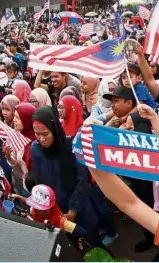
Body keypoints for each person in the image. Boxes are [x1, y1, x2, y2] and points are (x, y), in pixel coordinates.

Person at [31, 106, 116, 247]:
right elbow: (40, 180)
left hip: (79, 208)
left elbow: (82, 180)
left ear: (54, 129)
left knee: (92, 244)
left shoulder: (72, 146)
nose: (41, 139)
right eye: (37, 134)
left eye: (45, 134)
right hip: (55, 210)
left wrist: (72, 211)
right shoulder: (36, 149)